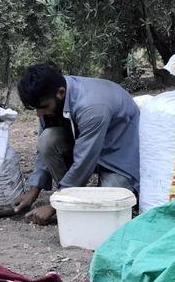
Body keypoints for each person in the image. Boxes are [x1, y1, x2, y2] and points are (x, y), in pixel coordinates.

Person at [13, 63, 140, 225]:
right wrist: (33, 190)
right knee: (47, 139)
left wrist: (56, 205)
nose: (40, 113)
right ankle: (73, 194)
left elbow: (85, 160)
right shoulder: (51, 95)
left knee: (107, 210)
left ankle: (69, 198)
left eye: (43, 107)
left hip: (118, 155)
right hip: (85, 145)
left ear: (61, 93)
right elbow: (43, 149)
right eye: (36, 109)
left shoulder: (92, 106)